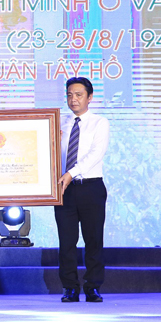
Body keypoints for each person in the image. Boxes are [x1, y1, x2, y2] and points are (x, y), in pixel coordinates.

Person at [54, 76, 110, 303]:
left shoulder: (100, 123)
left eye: (78, 95)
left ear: (90, 97)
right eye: (69, 95)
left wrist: (71, 173)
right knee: (66, 242)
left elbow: (95, 154)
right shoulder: (59, 123)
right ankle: (69, 288)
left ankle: (93, 287)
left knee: (93, 240)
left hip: (91, 187)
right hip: (63, 189)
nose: (73, 99)